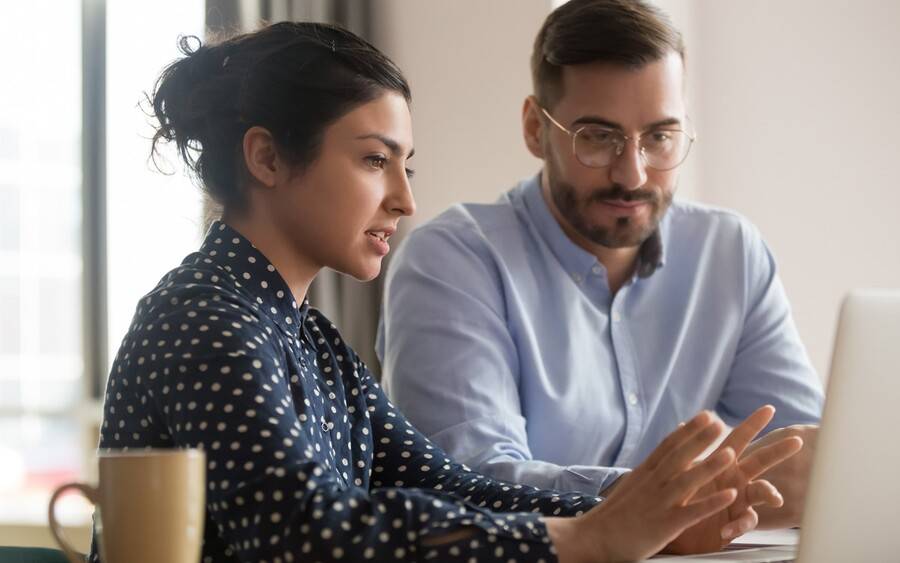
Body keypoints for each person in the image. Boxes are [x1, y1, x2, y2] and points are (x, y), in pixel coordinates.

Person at [88, 21, 803, 563]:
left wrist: (645, 513)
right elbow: (306, 535)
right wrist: (586, 536)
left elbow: (457, 487)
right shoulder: (206, 317)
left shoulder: (308, 338)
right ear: (268, 157)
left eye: (407, 167)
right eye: (375, 161)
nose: (403, 200)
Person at [377, 0, 822, 530]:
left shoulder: (729, 252)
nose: (632, 174)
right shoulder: (451, 262)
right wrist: (665, 502)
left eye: (659, 137)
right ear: (535, 130)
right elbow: (470, 483)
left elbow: (807, 457)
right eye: (598, 137)